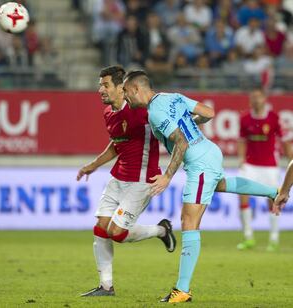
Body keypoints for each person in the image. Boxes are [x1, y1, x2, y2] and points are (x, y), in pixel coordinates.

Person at [122, 70, 279, 303]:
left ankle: (182, 289)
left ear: (136, 88)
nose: (125, 97)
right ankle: (274, 192)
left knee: (188, 222)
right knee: (221, 185)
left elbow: (181, 141)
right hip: (209, 150)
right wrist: (188, 124)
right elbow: (209, 113)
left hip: (199, 161)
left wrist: (167, 176)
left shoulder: (155, 112)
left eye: (125, 91)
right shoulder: (172, 96)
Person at [77, 65, 176, 297]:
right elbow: (117, 144)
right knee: (101, 227)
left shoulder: (143, 111)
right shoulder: (108, 113)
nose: (100, 89)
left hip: (142, 179)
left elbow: (172, 127)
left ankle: (162, 230)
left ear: (121, 88)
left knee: (117, 233)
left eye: (105, 85)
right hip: (118, 177)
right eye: (100, 84)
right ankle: (106, 286)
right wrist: (93, 165)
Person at [237, 88, 292, 252]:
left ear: (264, 99)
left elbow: (284, 140)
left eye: (258, 97)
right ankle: (248, 237)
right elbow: (241, 140)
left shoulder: (274, 118)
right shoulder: (244, 119)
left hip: (269, 166)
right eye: (253, 97)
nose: (255, 100)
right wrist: (241, 159)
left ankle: (274, 239)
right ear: (250, 100)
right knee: (242, 197)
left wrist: (290, 158)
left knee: (273, 200)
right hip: (250, 165)